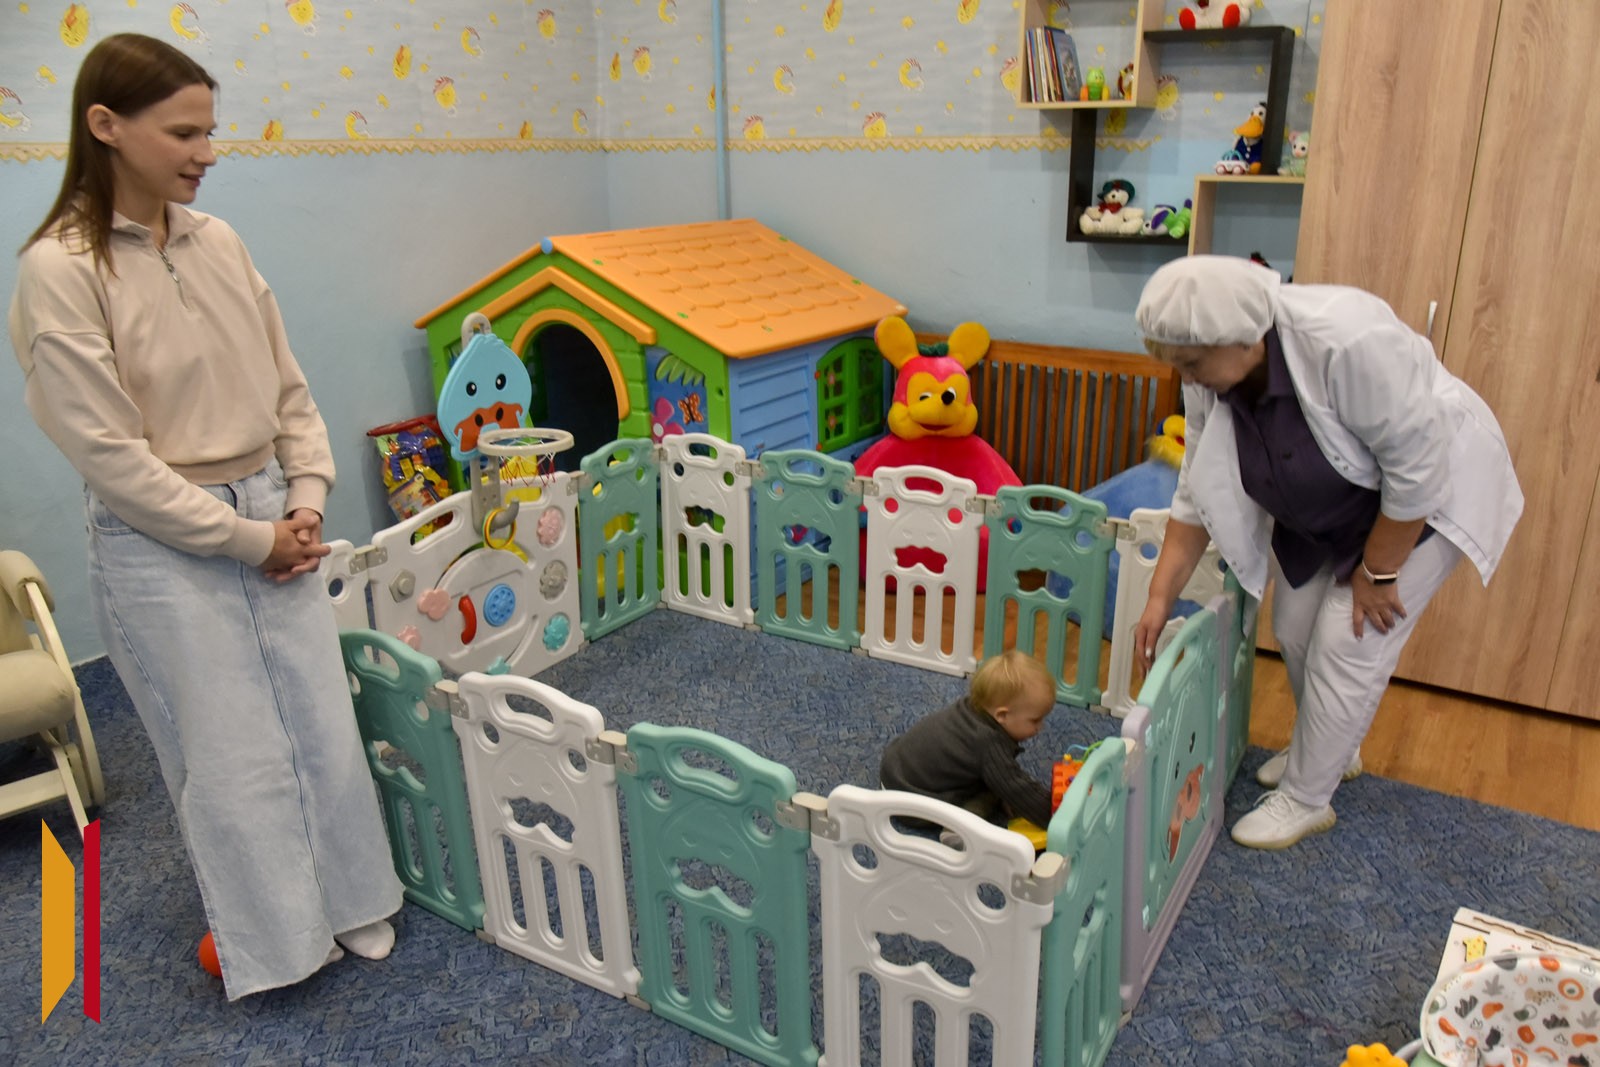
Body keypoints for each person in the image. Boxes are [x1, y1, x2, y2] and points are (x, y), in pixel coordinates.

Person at [8, 33, 403, 998]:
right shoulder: (61, 269)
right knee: (230, 753)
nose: (208, 152)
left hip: (270, 505)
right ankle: (279, 940)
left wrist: (303, 499)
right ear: (106, 126)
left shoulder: (218, 241)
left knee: (319, 718)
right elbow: (110, 455)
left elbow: (288, 386)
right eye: (185, 133)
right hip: (162, 540)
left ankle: (354, 897)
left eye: (210, 131)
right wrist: (244, 538)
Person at [1131, 255, 1522, 850]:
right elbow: (1196, 484)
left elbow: (1419, 470)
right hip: (1324, 507)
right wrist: (1160, 596)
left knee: (1349, 639)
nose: (1187, 378)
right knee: (1292, 628)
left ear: (1244, 338)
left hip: (1416, 505)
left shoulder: (1346, 339)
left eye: (1191, 364)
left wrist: (1379, 573)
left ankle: (1308, 799)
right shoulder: (1213, 369)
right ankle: (1334, 750)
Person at [879, 650, 1056, 833]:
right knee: (993, 788)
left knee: (992, 778)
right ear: (1002, 715)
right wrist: (1055, 817)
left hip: (894, 768)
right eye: (1035, 720)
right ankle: (956, 831)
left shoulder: (974, 707)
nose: (1040, 727)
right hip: (910, 799)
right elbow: (1017, 788)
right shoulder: (987, 742)